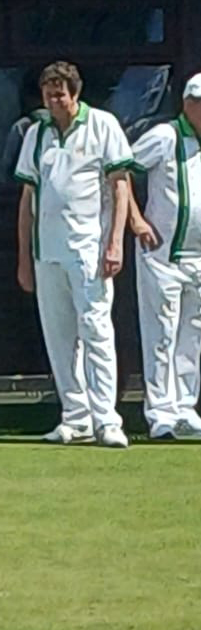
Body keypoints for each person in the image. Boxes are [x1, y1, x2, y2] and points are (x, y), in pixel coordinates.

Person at [15, 61, 133, 447]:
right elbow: (28, 198)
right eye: (48, 94)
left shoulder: (103, 125)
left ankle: (107, 420)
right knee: (59, 336)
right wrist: (24, 259)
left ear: (75, 93)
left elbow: (120, 187)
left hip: (90, 249)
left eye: (60, 93)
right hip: (47, 252)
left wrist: (115, 242)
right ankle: (75, 417)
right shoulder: (36, 133)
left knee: (96, 331)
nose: (54, 100)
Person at [129, 73, 201, 439]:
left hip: (199, 257)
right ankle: (160, 413)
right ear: (187, 103)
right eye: (199, 102)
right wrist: (137, 220)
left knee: (193, 334)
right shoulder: (164, 136)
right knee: (160, 333)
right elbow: (122, 170)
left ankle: (185, 407)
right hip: (162, 255)